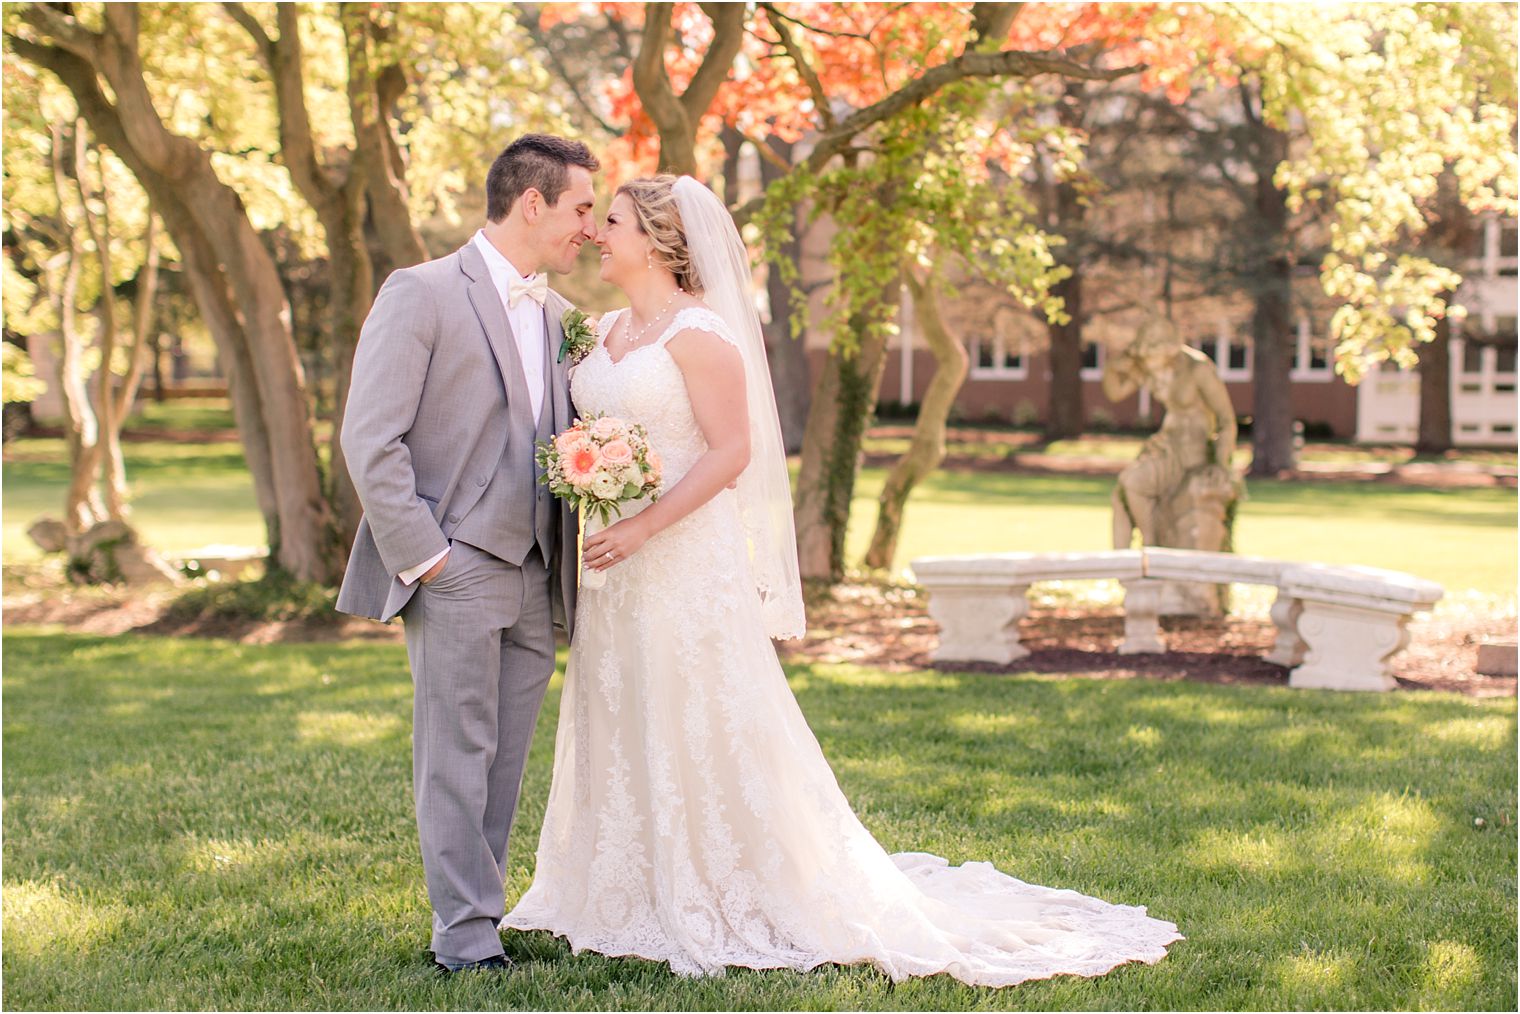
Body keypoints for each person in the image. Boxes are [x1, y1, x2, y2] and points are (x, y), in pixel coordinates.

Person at [503, 175, 1183, 986]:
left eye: (609, 222)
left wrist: (645, 521)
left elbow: (731, 452)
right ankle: (614, 888)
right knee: (623, 703)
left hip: (681, 557)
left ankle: (721, 886)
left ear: (654, 241)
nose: (595, 235)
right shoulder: (601, 330)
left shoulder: (701, 335)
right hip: (617, 567)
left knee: (698, 708)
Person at [336, 134, 596, 974]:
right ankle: (465, 937)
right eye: (581, 209)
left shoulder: (559, 316)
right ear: (533, 203)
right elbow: (371, 439)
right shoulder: (421, 292)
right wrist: (428, 558)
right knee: (454, 754)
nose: (588, 228)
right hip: (456, 563)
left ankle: (479, 909)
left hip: (537, 570)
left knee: (505, 755)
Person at [1102, 316, 1238, 549]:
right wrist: (1112, 367)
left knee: (1148, 490)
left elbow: (1226, 419)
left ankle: (1156, 546)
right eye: (1144, 357)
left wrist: (1220, 463)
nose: (1148, 364)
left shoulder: (1198, 368)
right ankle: (1148, 545)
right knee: (1129, 484)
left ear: (1169, 350)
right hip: (1167, 444)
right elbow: (1115, 393)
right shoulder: (1152, 365)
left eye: (1152, 356)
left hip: (1194, 449)